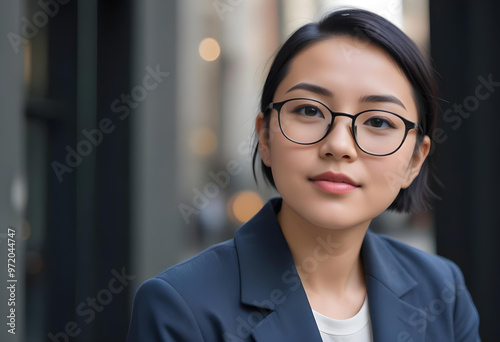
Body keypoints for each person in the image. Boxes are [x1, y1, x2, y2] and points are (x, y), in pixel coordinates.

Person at [127, 8, 480, 342]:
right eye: (310, 110)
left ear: (415, 160)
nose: (339, 145)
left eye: (378, 121)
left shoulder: (443, 292)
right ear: (264, 136)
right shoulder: (181, 307)